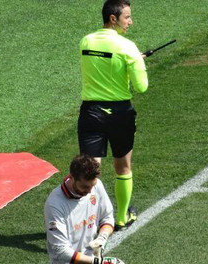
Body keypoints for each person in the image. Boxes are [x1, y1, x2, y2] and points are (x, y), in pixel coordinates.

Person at [77, 0, 148, 231]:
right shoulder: (127, 47)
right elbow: (141, 86)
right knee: (123, 167)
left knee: (89, 170)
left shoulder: (85, 41)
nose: (131, 22)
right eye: (127, 17)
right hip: (119, 114)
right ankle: (120, 217)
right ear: (113, 18)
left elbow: (101, 65)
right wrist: (137, 62)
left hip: (91, 112)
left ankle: (85, 222)